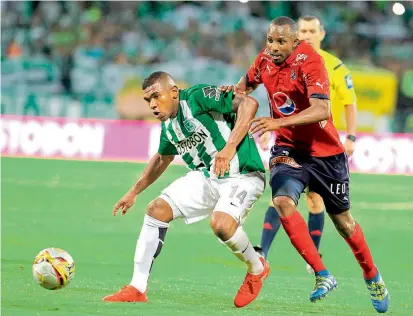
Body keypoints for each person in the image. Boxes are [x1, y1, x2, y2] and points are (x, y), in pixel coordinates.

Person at [220, 17, 389, 313]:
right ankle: (322, 274)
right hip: (288, 148)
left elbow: (322, 108)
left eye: (280, 42)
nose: (272, 47)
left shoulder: (311, 62)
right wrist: (235, 91)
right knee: (283, 200)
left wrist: (276, 121)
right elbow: (246, 84)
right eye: (269, 40)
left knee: (344, 223)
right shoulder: (264, 58)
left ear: (295, 41)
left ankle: (372, 275)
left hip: (326, 153)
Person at [102, 71, 270, 308]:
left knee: (221, 225)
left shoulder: (197, 97)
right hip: (207, 177)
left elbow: (249, 103)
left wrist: (230, 147)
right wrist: (133, 192)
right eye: (147, 101)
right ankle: (137, 287)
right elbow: (162, 159)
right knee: (157, 210)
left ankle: (257, 268)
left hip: (242, 174)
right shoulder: (169, 126)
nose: (152, 105)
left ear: (173, 92)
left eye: (156, 97)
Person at [258, 15, 358, 275]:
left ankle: (312, 257)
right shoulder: (284, 61)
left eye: (312, 31)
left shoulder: (334, 67)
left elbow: (349, 102)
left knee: (315, 201)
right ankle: (263, 251)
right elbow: (276, 96)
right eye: (303, 30)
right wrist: (273, 128)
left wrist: (351, 136)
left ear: (321, 34)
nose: (307, 35)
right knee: (280, 196)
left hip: (321, 145)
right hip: (290, 141)